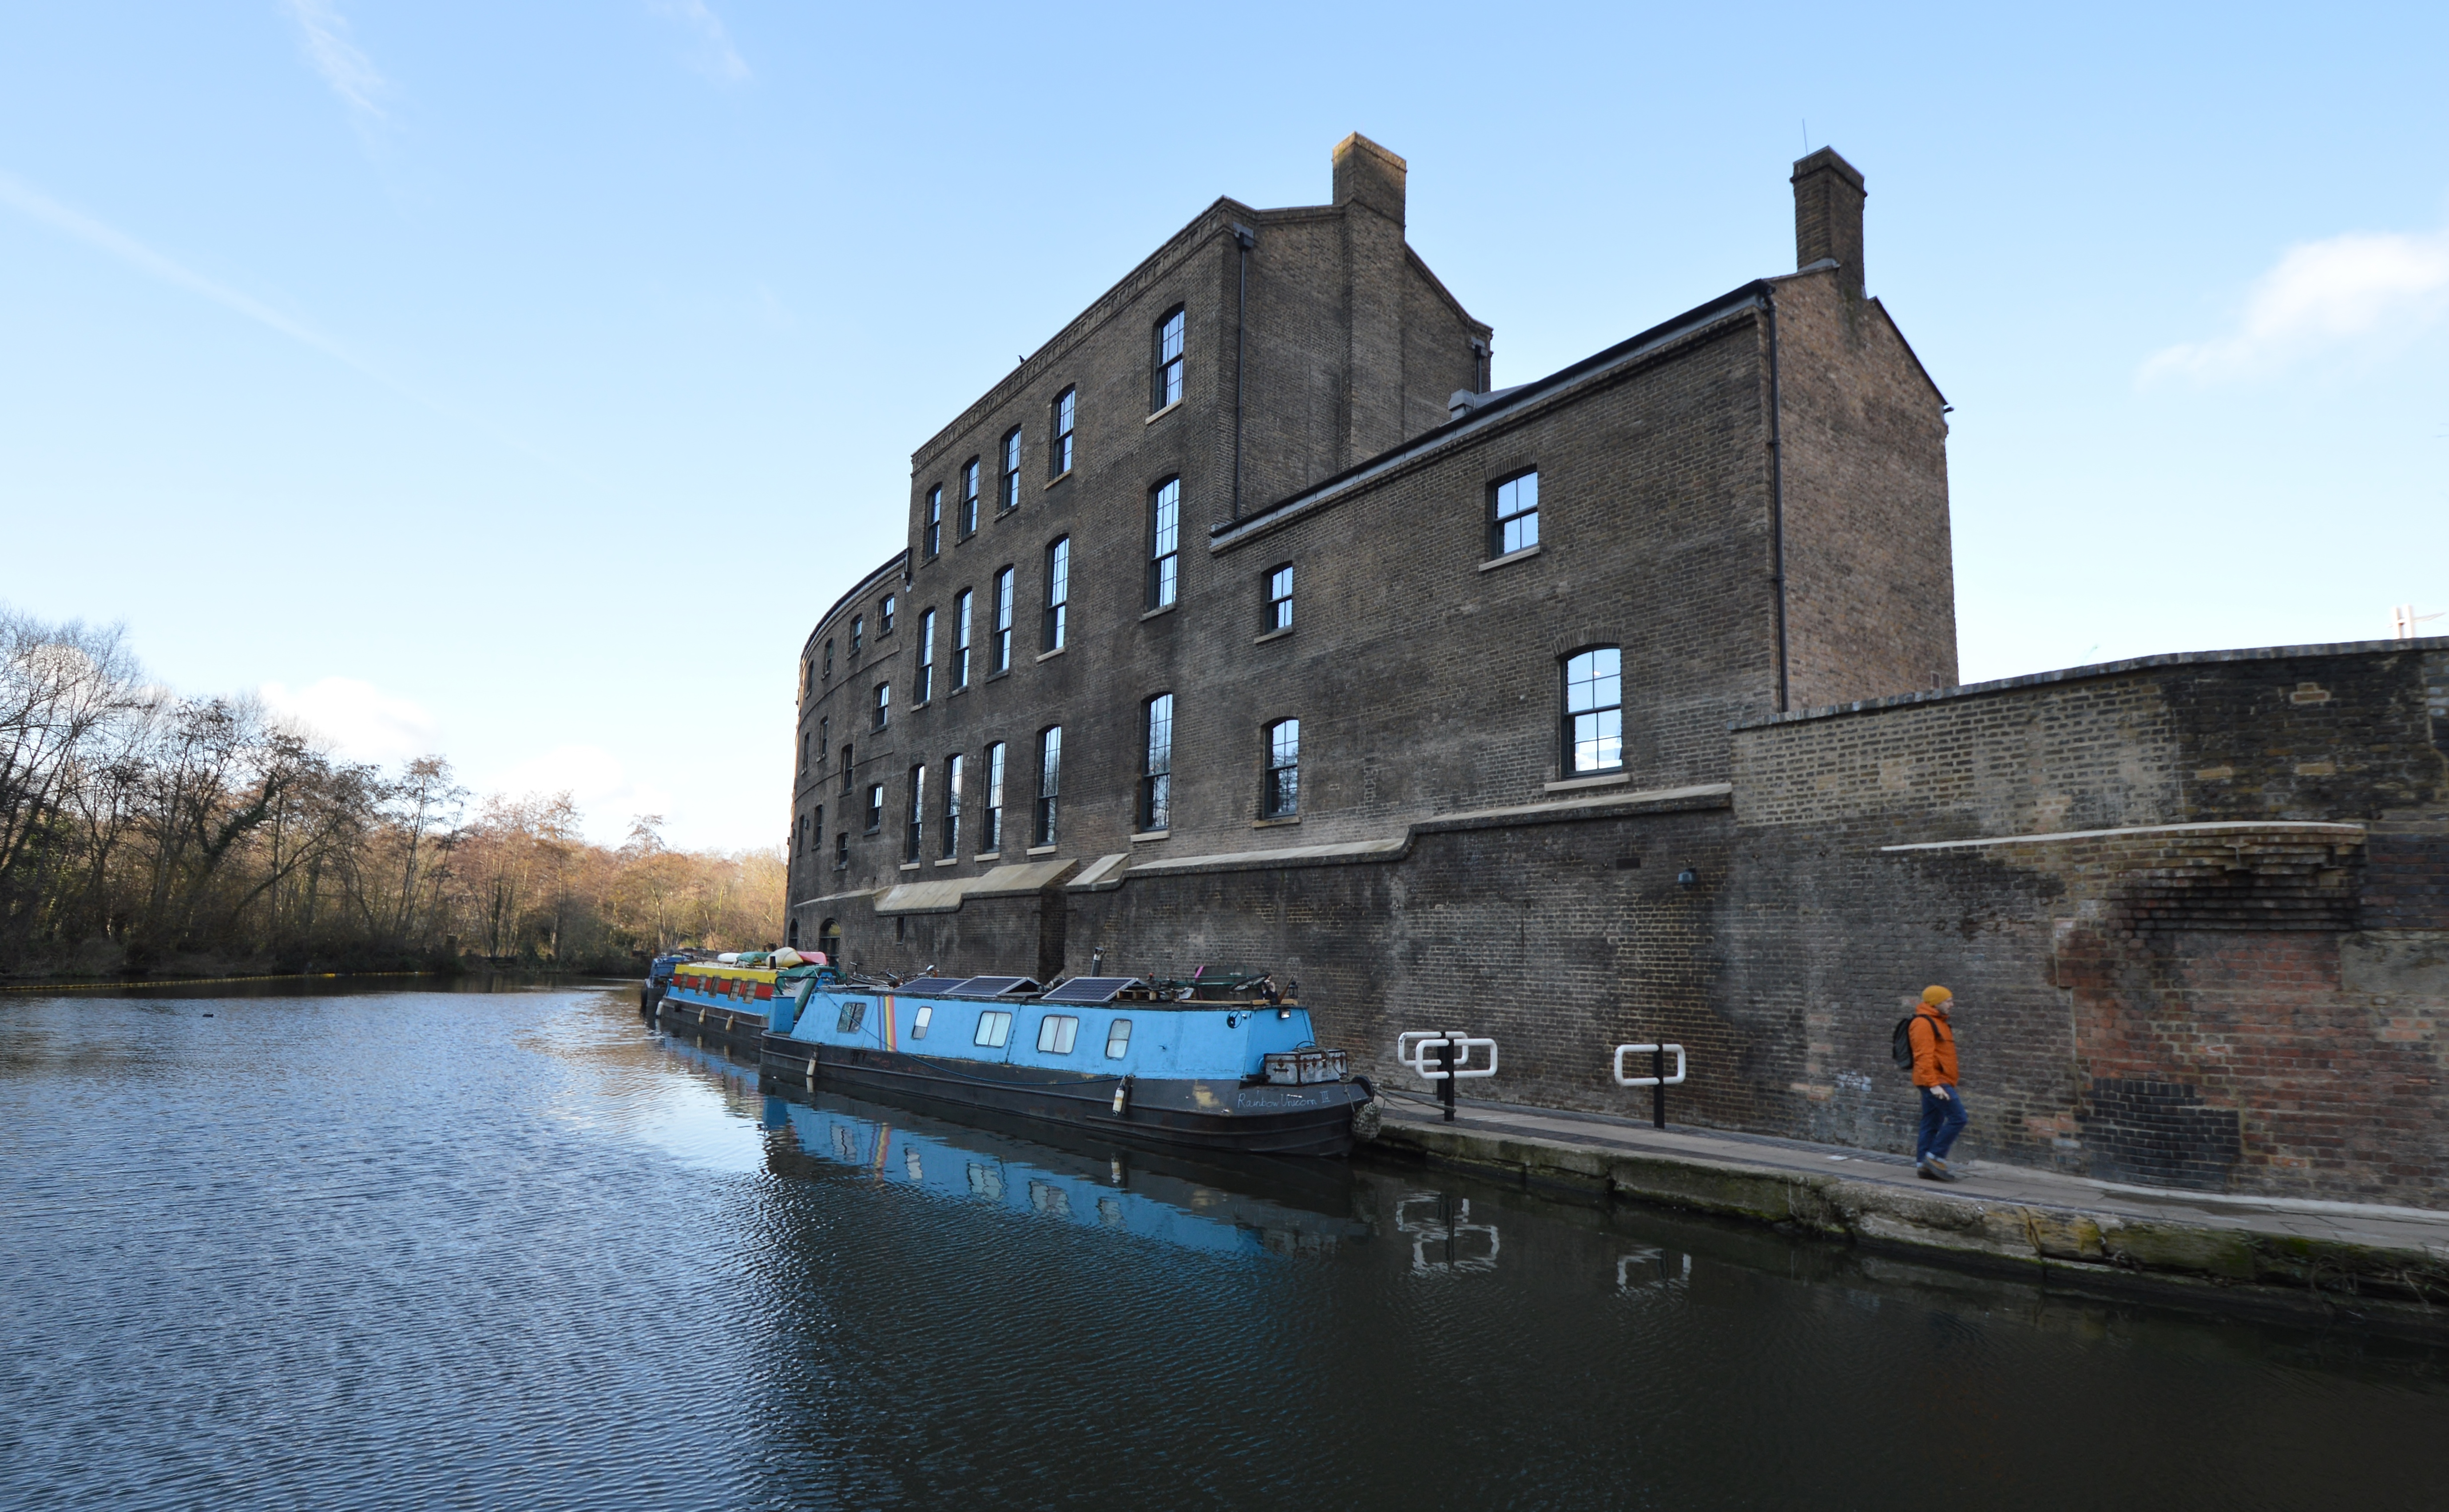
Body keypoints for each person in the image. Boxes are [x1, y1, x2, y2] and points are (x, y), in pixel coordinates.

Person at [1909, 986, 1967, 1180]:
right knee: (1959, 1118)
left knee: (1932, 1122)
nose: (1952, 1004)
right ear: (1936, 1002)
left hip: (1939, 1081)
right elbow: (1923, 1057)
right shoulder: (1923, 1024)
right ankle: (1934, 1158)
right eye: (1948, 1001)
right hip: (1934, 1082)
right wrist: (1934, 1084)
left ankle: (1923, 1165)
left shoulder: (1939, 1022)